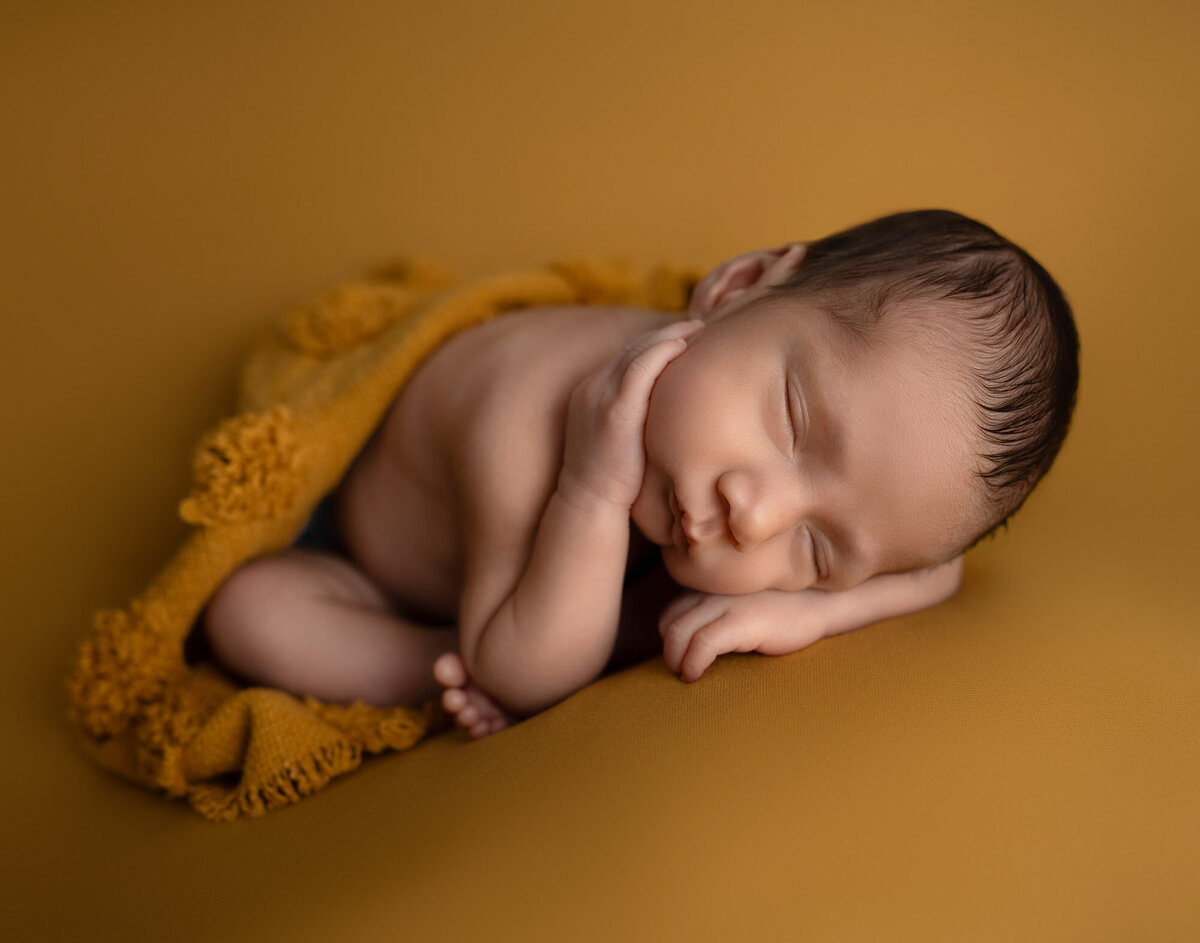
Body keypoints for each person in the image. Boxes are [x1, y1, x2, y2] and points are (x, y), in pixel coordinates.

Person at [201, 209, 1079, 739]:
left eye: (818, 546)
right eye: (793, 421)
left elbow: (937, 564)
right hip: (358, 555)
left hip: (527, 596)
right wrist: (589, 487)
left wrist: (811, 607)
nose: (760, 515)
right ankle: (428, 669)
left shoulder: (730, 463)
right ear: (737, 287)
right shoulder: (525, 415)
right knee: (252, 611)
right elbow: (522, 672)